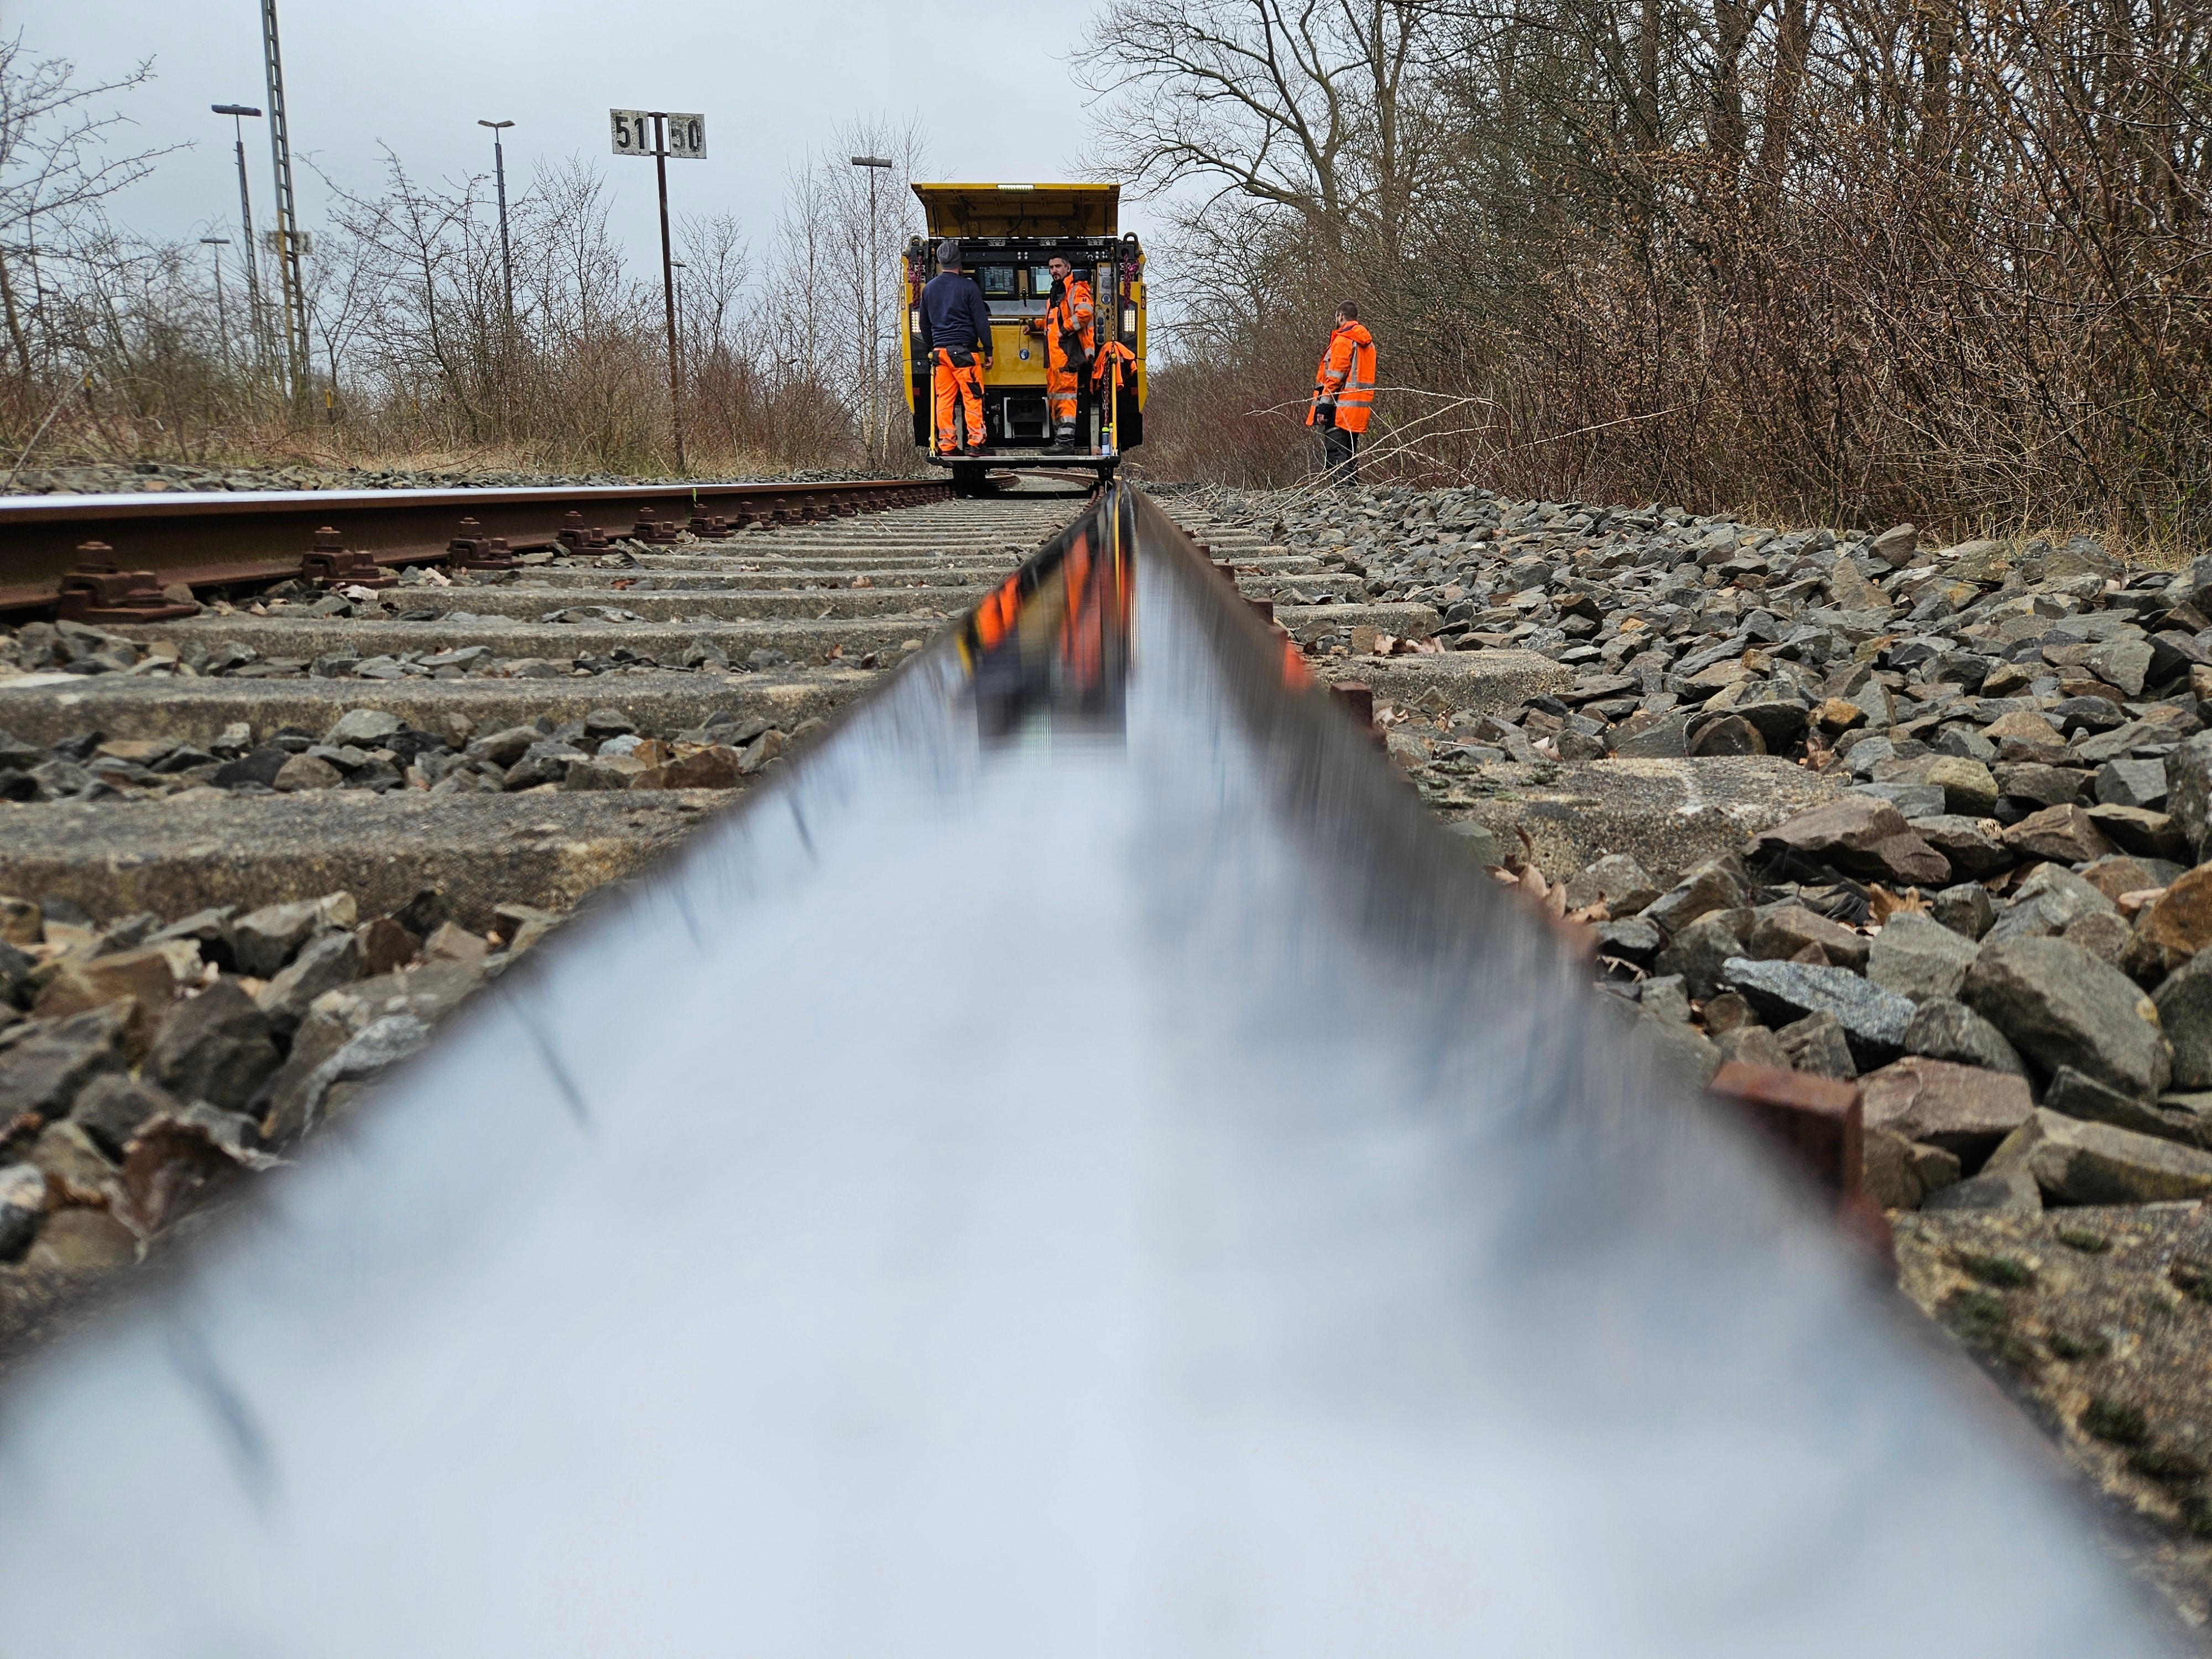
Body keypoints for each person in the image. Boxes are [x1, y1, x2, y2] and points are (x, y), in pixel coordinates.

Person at [921, 239, 994, 457]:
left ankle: (947, 445)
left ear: (940, 262)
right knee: (972, 396)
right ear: (959, 262)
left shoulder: (928, 290)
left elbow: (924, 324)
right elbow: (981, 322)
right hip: (964, 353)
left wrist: (933, 347)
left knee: (944, 399)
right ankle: (976, 443)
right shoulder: (968, 287)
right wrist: (988, 350)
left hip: (940, 354)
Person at [1026, 255, 1094, 453]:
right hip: (1055, 358)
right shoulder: (1056, 295)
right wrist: (1036, 325)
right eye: (1051, 267)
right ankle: (1060, 441)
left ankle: (1065, 444)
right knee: (1056, 398)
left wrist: (1064, 330)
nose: (1054, 270)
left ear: (1068, 267)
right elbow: (1053, 322)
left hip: (1067, 353)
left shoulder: (1076, 289)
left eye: (1058, 266)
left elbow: (1085, 312)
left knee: (1065, 397)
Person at [1306, 302, 1376, 484]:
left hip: (1339, 407)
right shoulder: (1367, 343)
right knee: (1350, 456)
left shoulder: (1344, 339)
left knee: (1335, 454)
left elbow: (1335, 377)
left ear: (1340, 316)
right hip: (1357, 409)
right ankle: (1357, 500)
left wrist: (1323, 407)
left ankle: (1343, 499)